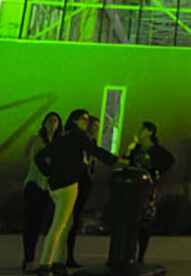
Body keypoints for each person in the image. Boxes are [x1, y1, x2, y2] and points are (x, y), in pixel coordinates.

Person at [35, 109, 122, 276]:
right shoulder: (78, 138)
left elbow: (40, 157)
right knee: (59, 225)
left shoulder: (63, 138)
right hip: (68, 185)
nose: (86, 122)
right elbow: (95, 151)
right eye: (84, 119)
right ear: (74, 120)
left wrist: (49, 173)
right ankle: (46, 264)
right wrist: (115, 159)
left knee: (65, 223)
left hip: (55, 185)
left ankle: (57, 262)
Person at [125, 121, 175, 264]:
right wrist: (130, 148)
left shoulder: (156, 150)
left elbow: (169, 160)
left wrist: (157, 172)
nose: (140, 132)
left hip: (147, 188)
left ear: (150, 132)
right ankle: (129, 253)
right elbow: (126, 160)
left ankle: (140, 255)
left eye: (143, 130)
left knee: (144, 221)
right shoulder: (137, 148)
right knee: (130, 221)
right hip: (132, 186)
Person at [21, 112, 61, 274]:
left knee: (42, 225)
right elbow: (31, 158)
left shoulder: (58, 143)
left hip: (48, 188)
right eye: (50, 120)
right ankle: (29, 259)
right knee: (32, 224)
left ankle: (36, 259)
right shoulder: (37, 140)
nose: (53, 124)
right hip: (35, 185)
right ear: (44, 123)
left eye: (56, 121)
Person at [65, 116, 99, 269]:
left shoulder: (91, 142)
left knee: (75, 218)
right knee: (69, 217)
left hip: (85, 182)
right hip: (75, 181)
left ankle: (68, 255)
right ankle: (64, 254)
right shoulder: (80, 141)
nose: (95, 130)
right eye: (93, 126)